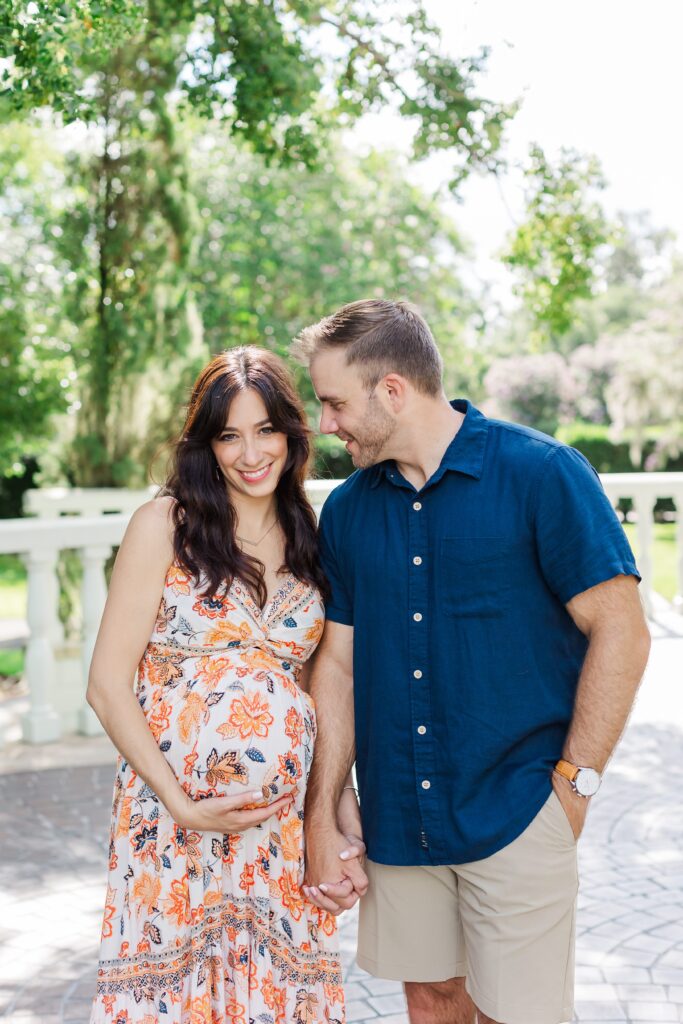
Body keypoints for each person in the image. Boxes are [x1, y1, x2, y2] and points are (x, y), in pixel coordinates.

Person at [293, 300, 651, 1024]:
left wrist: (573, 786)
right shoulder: (350, 511)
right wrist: (325, 807)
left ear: (391, 390)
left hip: (518, 810)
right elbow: (336, 667)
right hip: (399, 821)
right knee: (430, 1002)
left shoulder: (542, 475)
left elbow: (621, 631)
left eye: (333, 403)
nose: (325, 424)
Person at [86, 347, 363, 1024]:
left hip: (275, 836)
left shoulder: (313, 538)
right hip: (171, 828)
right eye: (229, 434)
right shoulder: (166, 526)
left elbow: (318, 685)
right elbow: (106, 685)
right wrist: (181, 803)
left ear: (292, 434)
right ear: (206, 445)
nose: (249, 453)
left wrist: (334, 804)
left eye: (265, 429)